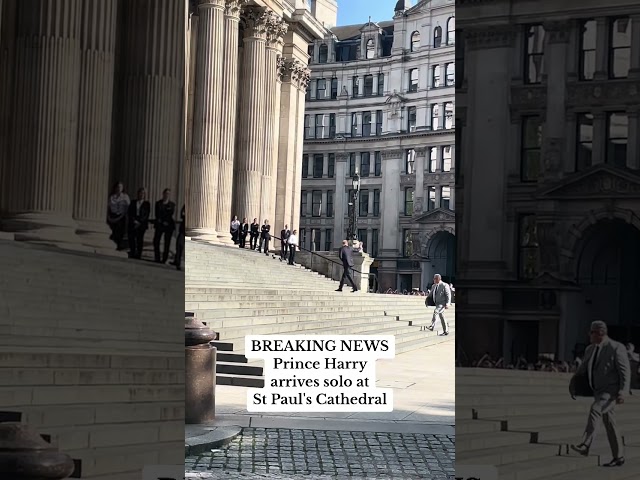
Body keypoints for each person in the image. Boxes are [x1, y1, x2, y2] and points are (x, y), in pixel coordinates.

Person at [569, 321, 630, 467]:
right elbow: (582, 369)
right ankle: (618, 456)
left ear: (600, 333)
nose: (589, 335)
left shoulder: (616, 347)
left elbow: (625, 371)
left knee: (595, 409)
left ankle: (585, 444)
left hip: (611, 392)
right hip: (598, 391)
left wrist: (623, 392)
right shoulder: (590, 349)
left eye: (591, 332)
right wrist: (573, 385)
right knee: (610, 423)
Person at [153, 188, 176, 264]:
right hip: (159, 224)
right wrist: (162, 221)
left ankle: (164, 259)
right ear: (163, 194)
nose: (166, 195)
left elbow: (170, 214)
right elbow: (157, 214)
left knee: (167, 243)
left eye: (168, 194)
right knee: (156, 241)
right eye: (165, 193)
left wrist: (166, 222)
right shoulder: (158, 203)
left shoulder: (172, 205)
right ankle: (157, 258)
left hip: (168, 225)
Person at [127, 187, 150, 259]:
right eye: (140, 193)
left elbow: (146, 214)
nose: (141, 194)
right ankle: (132, 252)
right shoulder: (133, 202)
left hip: (141, 223)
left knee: (140, 239)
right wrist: (134, 220)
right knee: (132, 238)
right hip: (133, 221)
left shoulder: (147, 203)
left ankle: (139, 254)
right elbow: (130, 212)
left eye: (143, 193)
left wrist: (139, 222)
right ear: (138, 194)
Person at [106, 181, 130, 250]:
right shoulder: (112, 197)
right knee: (113, 231)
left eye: (120, 187)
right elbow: (108, 207)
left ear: (122, 188)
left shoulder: (125, 197)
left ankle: (119, 245)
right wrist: (109, 217)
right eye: (118, 187)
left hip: (121, 217)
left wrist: (120, 217)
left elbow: (127, 208)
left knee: (120, 232)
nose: (119, 188)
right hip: (112, 216)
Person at [172, 205, 185, 270]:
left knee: (181, 246)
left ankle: (178, 262)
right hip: (183, 229)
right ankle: (177, 261)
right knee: (179, 245)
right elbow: (181, 214)